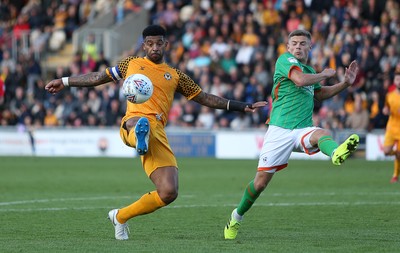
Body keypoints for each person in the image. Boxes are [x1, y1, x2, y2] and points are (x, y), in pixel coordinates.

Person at [45, 24, 267, 240]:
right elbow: (97, 78)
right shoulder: (129, 64)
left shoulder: (176, 75)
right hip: (132, 121)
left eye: (158, 44)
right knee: (139, 122)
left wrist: (239, 105)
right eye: (149, 44)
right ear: (143, 46)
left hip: (158, 131)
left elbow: (205, 97)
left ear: (166, 45)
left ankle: (120, 217)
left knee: (169, 192)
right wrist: (65, 81)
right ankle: (137, 135)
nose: (154, 48)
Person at [223, 29, 360, 240]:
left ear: (309, 47)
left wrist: (345, 84)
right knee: (260, 184)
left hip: (302, 129)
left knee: (322, 133)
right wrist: (324, 74)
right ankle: (236, 216)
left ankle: (335, 153)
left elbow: (320, 94)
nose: (298, 46)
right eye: (294, 43)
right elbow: (299, 80)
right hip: (279, 130)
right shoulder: (284, 61)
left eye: (302, 43)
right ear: (288, 47)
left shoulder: (309, 69)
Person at [382, 71, 400, 183]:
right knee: (386, 151)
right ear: (394, 82)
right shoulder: (389, 96)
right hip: (392, 127)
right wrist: (386, 111)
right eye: (398, 79)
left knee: (399, 153)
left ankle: (395, 176)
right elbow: (386, 108)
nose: (399, 82)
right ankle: (397, 154)